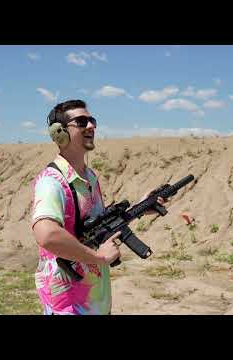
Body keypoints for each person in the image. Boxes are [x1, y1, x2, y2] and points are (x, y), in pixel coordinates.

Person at [31, 99, 165, 315]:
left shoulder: (89, 177)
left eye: (92, 120)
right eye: (82, 122)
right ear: (60, 132)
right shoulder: (52, 182)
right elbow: (46, 235)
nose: (91, 126)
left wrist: (142, 206)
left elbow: (100, 227)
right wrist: (99, 258)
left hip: (96, 302)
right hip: (69, 305)